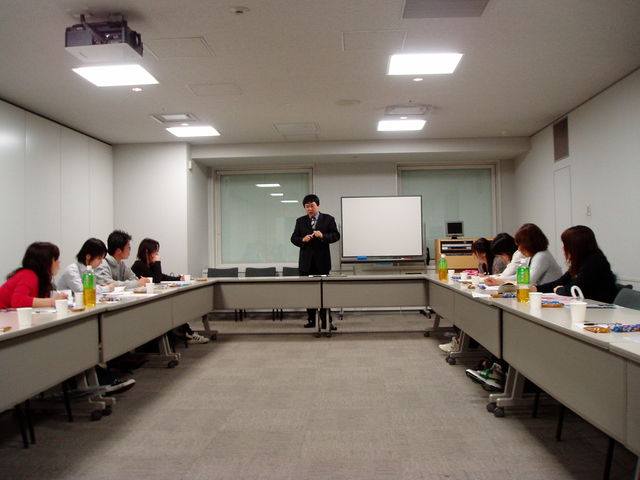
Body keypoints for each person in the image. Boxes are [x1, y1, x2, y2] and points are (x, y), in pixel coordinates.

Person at [131, 238, 209, 344]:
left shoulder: (148, 264)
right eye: (155, 252)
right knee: (173, 308)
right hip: (145, 303)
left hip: (153, 299)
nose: (157, 254)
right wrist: (158, 262)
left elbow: (162, 276)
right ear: (147, 252)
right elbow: (157, 280)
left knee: (176, 307)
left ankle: (188, 333)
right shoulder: (139, 265)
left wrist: (178, 279)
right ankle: (187, 334)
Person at [290, 194, 340, 330]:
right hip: (306, 264)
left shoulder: (328, 219)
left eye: (312, 206)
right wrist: (302, 240)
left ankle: (326, 321)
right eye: (307, 207)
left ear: (318, 205)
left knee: (324, 294)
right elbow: (293, 238)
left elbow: (336, 236)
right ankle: (312, 319)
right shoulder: (300, 221)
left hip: (322, 263)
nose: (309, 209)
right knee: (308, 293)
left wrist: (323, 235)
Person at [533, 225, 618, 303]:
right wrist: (536, 289)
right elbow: (561, 281)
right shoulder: (581, 261)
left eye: (566, 245)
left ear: (575, 246)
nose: (563, 248)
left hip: (600, 307)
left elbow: (575, 289)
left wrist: (559, 290)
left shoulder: (595, 261)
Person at [0, 242, 67, 308]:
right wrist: (53, 301)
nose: (59, 262)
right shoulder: (28, 275)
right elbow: (18, 301)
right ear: (45, 262)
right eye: (56, 259)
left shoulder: (40, 279)